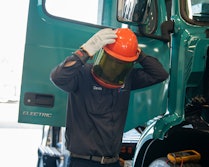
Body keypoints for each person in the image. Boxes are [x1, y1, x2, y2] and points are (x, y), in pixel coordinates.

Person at [50, 28, 169, 167]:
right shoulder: (82, 76)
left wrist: (138, 53)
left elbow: (160, 74)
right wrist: (85, 51)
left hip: (112, 162)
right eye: (112, 61)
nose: (114, 70)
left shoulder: (126, 79)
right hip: (82, 162)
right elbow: (57, 77)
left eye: (121, 64)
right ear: (101, 53)